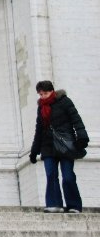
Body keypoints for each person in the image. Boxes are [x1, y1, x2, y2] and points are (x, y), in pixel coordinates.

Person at [29, 80, 89, 213]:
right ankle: (54, 204)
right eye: (40, 94)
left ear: (52, 91)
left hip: (65, 145)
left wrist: (82, 138)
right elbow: (39, 129)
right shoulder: (41, 107)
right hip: (48, 146)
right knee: (51, 175)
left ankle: (73, 205)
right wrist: (34, 151)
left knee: (68, 176)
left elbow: (76, 120)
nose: (42, 96)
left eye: (45, 93)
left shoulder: (65, 102)